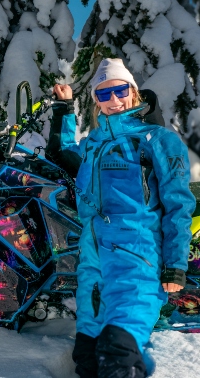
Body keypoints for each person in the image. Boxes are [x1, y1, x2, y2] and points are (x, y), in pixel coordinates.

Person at [46, 58, 196, 378]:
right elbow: (61, 152)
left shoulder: (158, 141)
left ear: (133, 91)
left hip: (137, 260)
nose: (113, 100)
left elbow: (178, 206)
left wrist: (175, 264)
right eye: (104, 94)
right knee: (87, 359)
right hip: (94, 266)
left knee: (119, 352)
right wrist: (64, 107)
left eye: (119, 90)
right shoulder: (94, 146)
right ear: (97, 102)